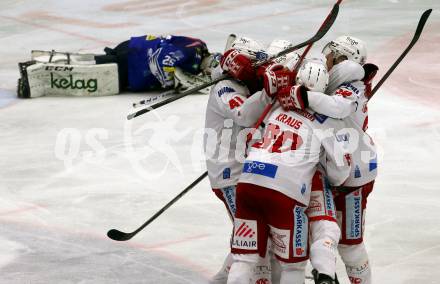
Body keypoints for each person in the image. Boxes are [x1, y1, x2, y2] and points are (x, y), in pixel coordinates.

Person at [227, 67, 351, 283]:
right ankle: (325, 271)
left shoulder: (277, 105)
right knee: (293, 266)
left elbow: (249, 138)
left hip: (248, 179)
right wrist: (330, 177)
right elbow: (340, 169)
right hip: (285, 190)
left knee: (243, 259)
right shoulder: (327, 119)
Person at [204, 36, 301, 283]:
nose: (260, 70)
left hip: (249, 171)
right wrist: (268, 91)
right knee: (256, 243)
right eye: (256, 64)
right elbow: (244, 114)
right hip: (231, 175)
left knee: (253, 238)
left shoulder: (245, 85)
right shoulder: (224, 88)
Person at [286, 35, 378, 284]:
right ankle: (326, 275)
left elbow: (338, 107)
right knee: (317, 234)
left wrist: (301, 97)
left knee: (349, 245)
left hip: (353, 176)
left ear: (341, 57)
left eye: (331, 54)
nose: (325, 58)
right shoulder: (337, 80)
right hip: (331, 169)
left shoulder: (353, 84)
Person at [17, 34, 221, 98]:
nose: (209, 73)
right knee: (87, 71)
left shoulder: (197, 48)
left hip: (133, 52)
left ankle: (47, 61)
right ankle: (35, 71)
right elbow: (160, 60)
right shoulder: (192, 53)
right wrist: (174, 80)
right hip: (133, 61)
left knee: (91, 62)